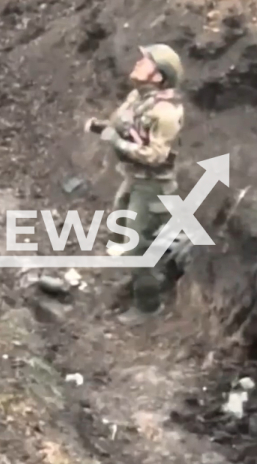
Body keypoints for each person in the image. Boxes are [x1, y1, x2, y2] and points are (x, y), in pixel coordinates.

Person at [84, 44, 185, 325]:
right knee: (118, 228)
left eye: (147, 61)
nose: (139, 63)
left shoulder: (166, 112)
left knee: (136, 245)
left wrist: (114, 140)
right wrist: (102, 127)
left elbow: (156, 155)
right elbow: (125, 127)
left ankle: (148, 305)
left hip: (153, 184)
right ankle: (156, 265)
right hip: (134, 178)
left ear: (158, 76)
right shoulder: (137, 98)